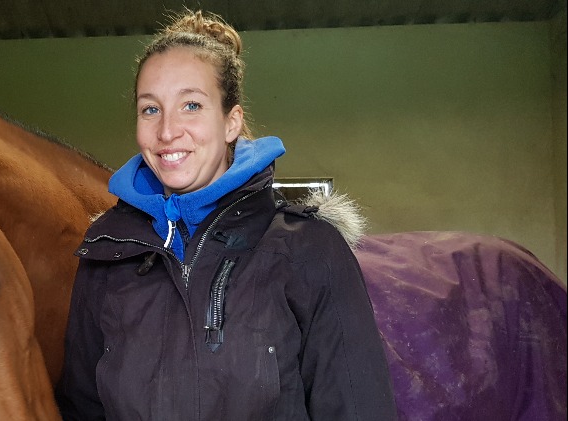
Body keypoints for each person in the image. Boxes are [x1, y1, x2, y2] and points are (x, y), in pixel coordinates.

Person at [55, 9, 397, 420]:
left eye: (191, 105)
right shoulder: (107, 254)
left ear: (231, 122)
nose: (167, 131)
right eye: (150, 109)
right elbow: (82, 408)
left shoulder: (309, 251)